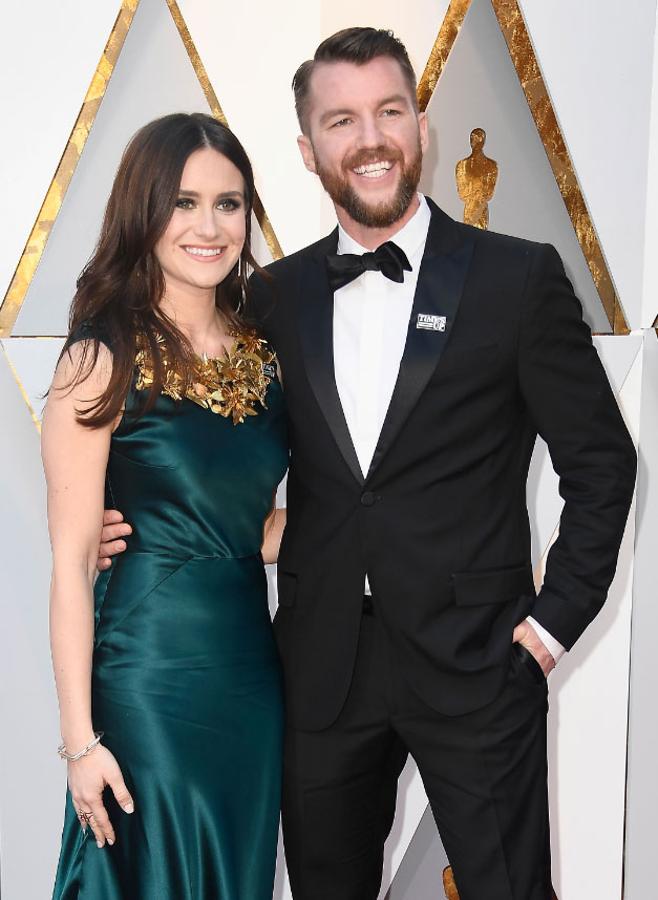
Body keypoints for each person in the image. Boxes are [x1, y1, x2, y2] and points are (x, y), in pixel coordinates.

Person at [98, 28, 637, 900]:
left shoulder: (519, 279)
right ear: (309, 151)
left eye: (389, 111)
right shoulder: (269, 297)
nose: (371, 138)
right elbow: (210, 452)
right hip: (319, 674)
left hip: (479, 667)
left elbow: (603, 466)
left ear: (420, 126)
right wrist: (127, 531)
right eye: (342, 120)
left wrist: (547, 632)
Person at [43, 112, 287, 900]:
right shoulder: (100, 356)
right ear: (143, 210)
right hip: (146, 681)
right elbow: (75, 562)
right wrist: (81, 742)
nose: (209, 227)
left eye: (229, 203)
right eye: (183, 203)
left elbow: (257, 529)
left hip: (250, 682)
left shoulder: (266, 353)